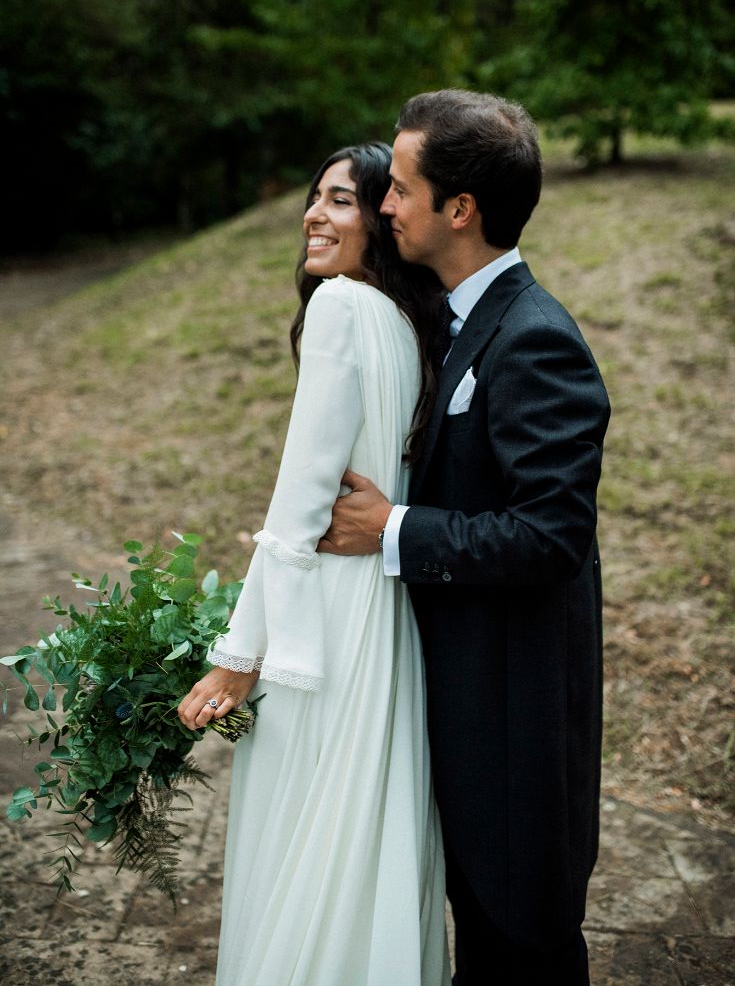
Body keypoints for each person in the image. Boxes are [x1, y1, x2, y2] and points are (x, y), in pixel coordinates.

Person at [319, 90, 611, 986]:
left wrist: (395, 529)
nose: (384, 206)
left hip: (513, 719)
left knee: (521, 943)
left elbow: (551, 535)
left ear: (460, 209)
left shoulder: (534, 341)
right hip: (455, 701)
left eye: (400, 189)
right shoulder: (446, 319)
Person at [178, 142, 451, 986]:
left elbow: (299, 507)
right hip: (388, 621)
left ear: (381, 220)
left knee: (299, 842)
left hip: (324, 633)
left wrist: (235, 658)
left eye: (341, 201)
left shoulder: (338, 306)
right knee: (357, 846)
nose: (313, 214)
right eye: (314, 198)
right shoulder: (407, 322)